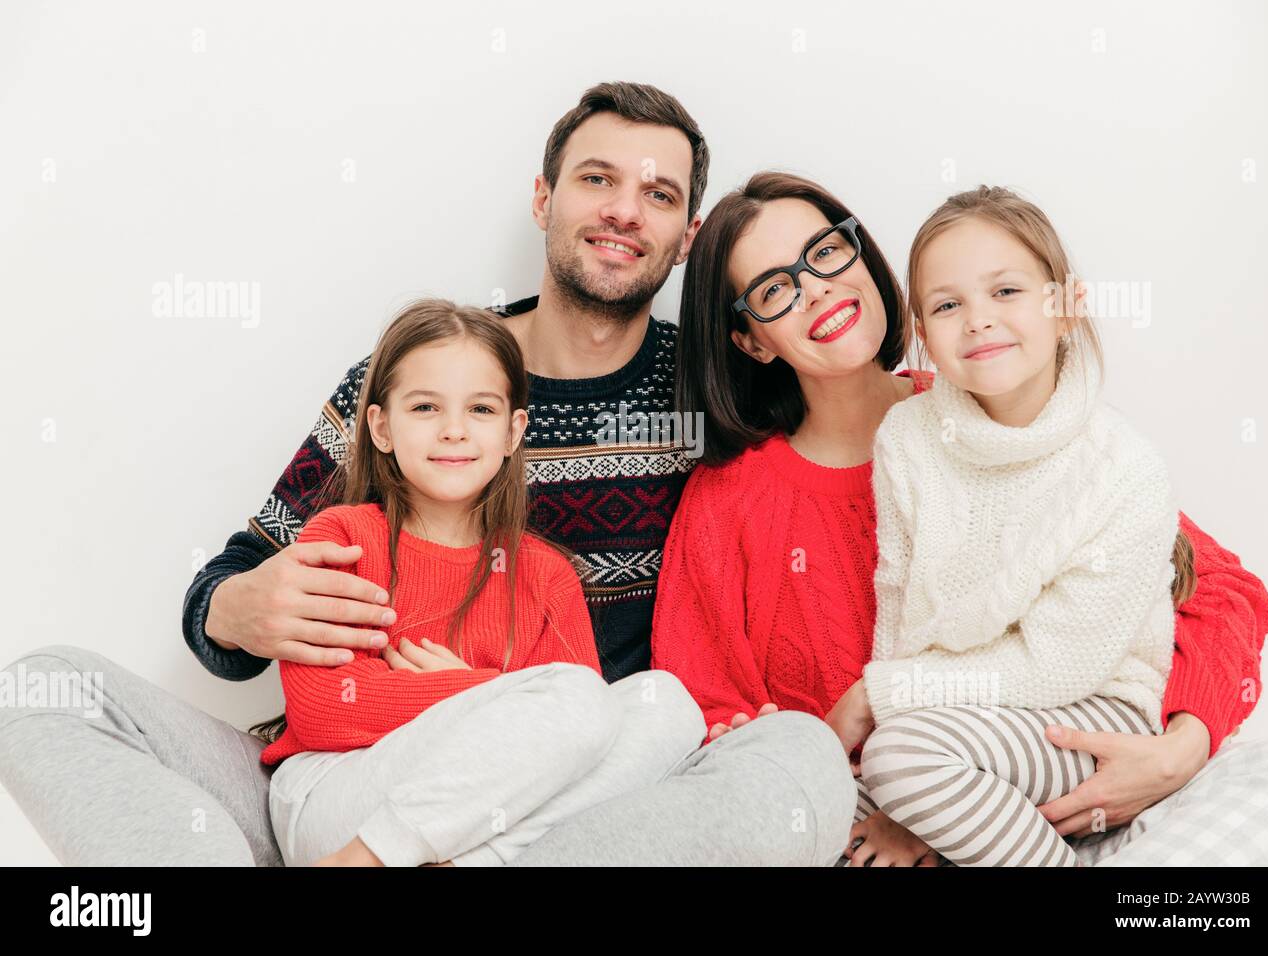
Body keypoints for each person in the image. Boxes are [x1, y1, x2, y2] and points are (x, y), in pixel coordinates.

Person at [0, 83, 854, 867]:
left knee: (795, 756)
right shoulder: (426, 374)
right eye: (597, 179)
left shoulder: (720, 388)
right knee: (42, 685)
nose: (625, 211)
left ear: (687, 238)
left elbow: (862, 441)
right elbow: (235, 586)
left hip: (587, 798)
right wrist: (235, 607)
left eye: (659, 194)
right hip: (345, 776)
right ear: (543, 198)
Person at [650, 170, 1268, 868]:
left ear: (863, 256)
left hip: (1050, 772)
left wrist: (1179, 749)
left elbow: (1221, 593)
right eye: (775, 288)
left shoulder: (994, 408)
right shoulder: (730, 503)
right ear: (752, 341)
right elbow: (707, 718)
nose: (817, 288)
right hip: (872, 822)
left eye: (827, 252)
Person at [258, 299, 705, 866]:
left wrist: (486, 696)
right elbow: (327, 712)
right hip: (339, 798)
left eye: (481, 409)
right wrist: (485, 690)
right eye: (424, 407)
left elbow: (576, 736)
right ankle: (366, 860)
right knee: (570, 695)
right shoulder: (341, 536)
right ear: (381, 426)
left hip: (474, 824)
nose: (453, 431)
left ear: (514, 430)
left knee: (667, 704)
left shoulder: (547, 574)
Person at [833, 186, 1182, 866]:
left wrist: (884, 704)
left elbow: (1057, 666)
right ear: (924, 335)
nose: (978, 321)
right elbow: (900, 610)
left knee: (901, 757)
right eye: (947, 304)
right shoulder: (908, 435)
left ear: (1067, 307)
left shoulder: (1125, 470)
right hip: (950, 715)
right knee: (827, 798)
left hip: (1091, 707)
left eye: (1006, 292)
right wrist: (893, 765)